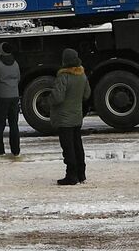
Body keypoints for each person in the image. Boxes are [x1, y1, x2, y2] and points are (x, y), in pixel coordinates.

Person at [51, 47, 89, 186]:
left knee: (68, 147)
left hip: (64, 118)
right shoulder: (82, 75)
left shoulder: (63, 76)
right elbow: (86, 94)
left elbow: (58, 98)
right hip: (77, 117)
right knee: (78, 145)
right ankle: (81, 174)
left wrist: (50, 98)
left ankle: (71, 175)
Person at [0, 43, 22, 157]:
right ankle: (16, 149)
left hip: (1, 96)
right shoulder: (15, 63)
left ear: (1, 51)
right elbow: (18, 78)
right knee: (14, 124)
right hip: (14, 96)